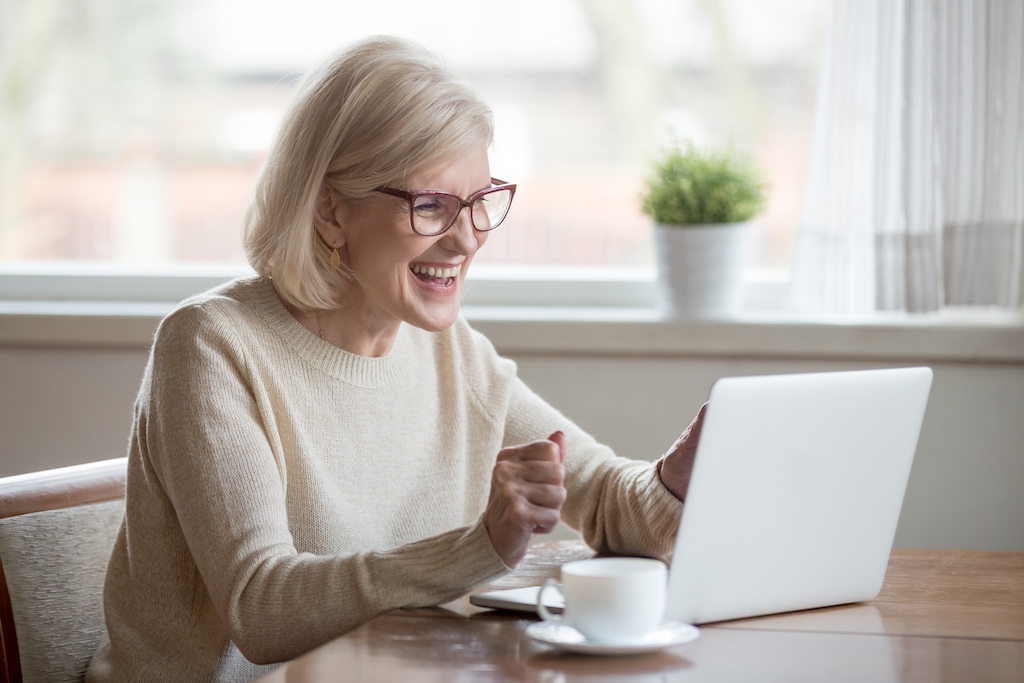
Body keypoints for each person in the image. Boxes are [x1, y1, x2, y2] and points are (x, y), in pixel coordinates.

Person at [86, 35, 706, 682]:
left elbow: (608, 500)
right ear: (330, 211)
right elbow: (261, 607)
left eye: (478, 201)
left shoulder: (451, 352)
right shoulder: (211, 345)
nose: (467, 239)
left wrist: (680, 478)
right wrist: (478, 548)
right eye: (432, 205)